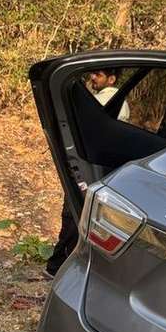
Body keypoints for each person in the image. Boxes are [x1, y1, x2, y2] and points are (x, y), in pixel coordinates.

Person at [45, 68, 129, 277]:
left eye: (98, 75)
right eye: (93, 74)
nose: (93, 78)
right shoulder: (112, 99)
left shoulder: (107, 98)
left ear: (111, 79)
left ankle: (58, 265)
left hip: (91, 167)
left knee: (74, 213)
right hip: (102, 167)